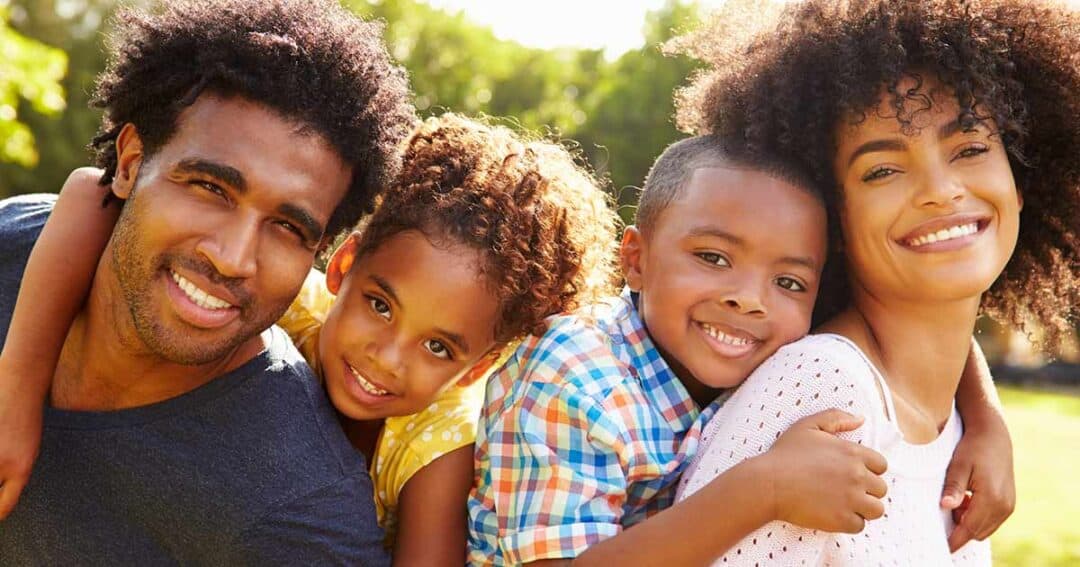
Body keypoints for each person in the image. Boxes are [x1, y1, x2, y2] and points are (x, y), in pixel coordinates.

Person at [26, 112, 621, 565]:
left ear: (476, 367)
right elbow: (89, 191)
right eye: (381, 306)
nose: (386, 358)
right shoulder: (294, 303)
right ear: (342, 267)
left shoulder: (439, 443)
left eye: (438, 347)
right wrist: (15, 385)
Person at [467, 134, 1014, 566]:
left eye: (790, 283)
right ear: (634, 260)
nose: (749, 299)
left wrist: (986, 418)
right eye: (713, 258)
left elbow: (921, 326)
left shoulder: (752, 348)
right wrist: (764, 487)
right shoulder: (576, 376)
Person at [0, 0, 415, 563]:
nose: (233, 258)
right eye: (210, 189)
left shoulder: (298, 514)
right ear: (128, 164)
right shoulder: (13, 245)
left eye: (288, 227)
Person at [671, 0, 1079, 564]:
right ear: (832, 220)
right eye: (882, 169)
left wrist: (984, 415)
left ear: (1020, 178)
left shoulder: (953, 419)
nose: (941, 189)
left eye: (970, 148)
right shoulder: (824, 388)